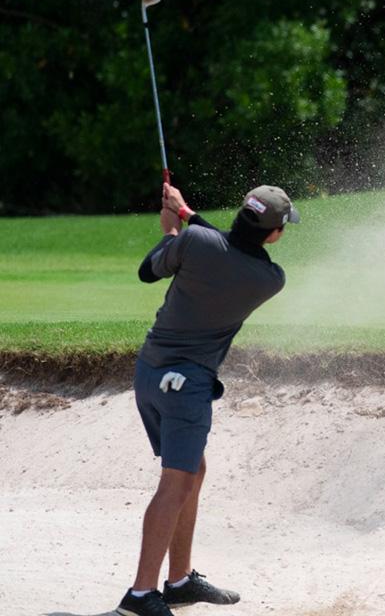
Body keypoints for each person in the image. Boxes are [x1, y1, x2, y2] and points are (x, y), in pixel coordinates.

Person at [116, 183, 299, 616]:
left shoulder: (194, 241)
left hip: (150, 371)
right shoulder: (270, 279)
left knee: (192, 471)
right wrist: (186, 215)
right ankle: (140, 596)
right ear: (273, 234)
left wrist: (172, 229)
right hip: (186, 386)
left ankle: (178, 581)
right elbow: (228, 250)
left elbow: (148, 271)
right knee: (176, 482)